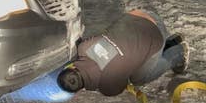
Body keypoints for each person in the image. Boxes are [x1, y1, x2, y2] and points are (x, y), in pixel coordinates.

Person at [57, 10, 188, 96]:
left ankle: (178, 53)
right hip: (143, 16)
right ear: (72, 66)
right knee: (131, 49)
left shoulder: (108, 85)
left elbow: (120, 86)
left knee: (138, 79)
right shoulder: (84, 48)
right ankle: (171, 42)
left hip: (155, 36)